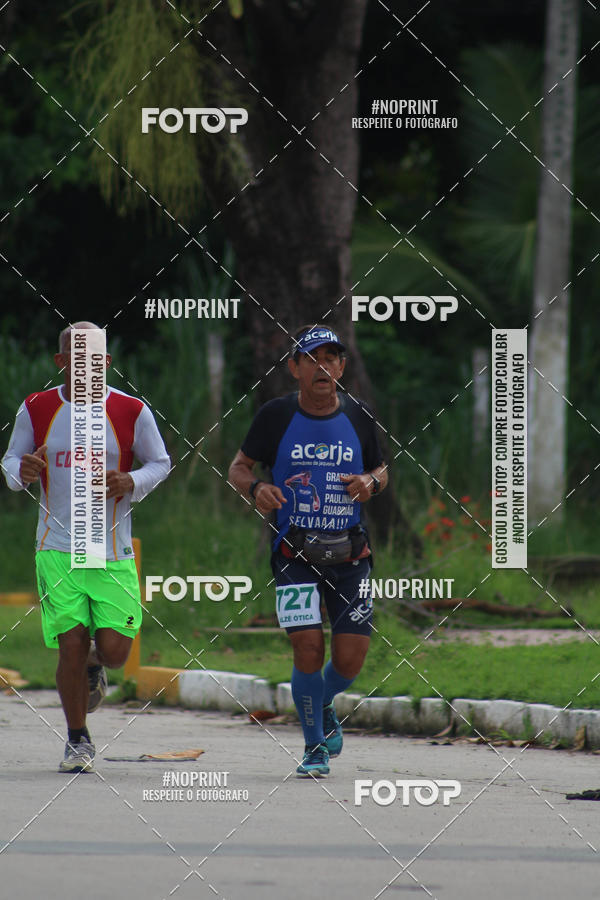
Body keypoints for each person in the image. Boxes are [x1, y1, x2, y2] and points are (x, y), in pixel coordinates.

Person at [2, 322, 170, 773]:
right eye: (77, 361)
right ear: (61, 363)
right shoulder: (37, 408)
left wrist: (131, 480)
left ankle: (98, 666)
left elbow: (161, 462)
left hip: (111, 550)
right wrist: (25, 471)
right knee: (70, 644)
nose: (87, 370)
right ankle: (77, 739)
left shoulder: (132, 411)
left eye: (95, 362)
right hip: (57, 547)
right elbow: (11, 462)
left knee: (114, 649)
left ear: (108, 364)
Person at [228, 324, 387, 777]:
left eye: (332, 358)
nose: (323, 367)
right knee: (307, 649)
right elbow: (237, 468)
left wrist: (369, 482)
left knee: (351, 658)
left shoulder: (359, 414)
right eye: (312, 359)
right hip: (293, 555)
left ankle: (320, 703)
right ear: (295, 367)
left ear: (342, 366)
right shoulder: (275, 416)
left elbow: (382, 469)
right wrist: (256, 487)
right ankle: (313, 745)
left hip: (351, 555)